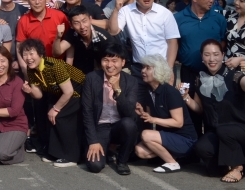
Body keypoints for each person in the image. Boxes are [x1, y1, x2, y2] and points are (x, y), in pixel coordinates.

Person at [185, 40, 245, 184]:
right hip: (219, 130)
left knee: (225, 130)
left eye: (216, 54)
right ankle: (226, 166)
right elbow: (200, 109)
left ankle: (237, 167)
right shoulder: (199, 79)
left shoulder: (235, 75)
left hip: (243, 129)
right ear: (202, 57)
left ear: (223, 55)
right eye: (207, 55)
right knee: (202, 148)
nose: (212, 59)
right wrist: (186, 98)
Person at [19, 38, 86, 167]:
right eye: (25, 55)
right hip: (59, 93)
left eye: (31, 53)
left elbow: (69, 92)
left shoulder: (55, 65)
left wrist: (56, 109)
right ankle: (55, 153)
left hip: (78, 90)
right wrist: (30, 91)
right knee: (49, 115)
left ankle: (71, 156)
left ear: (41, 54)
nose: (28, 58)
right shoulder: (31, 70)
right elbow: (38, 95)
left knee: (60, 116)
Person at [133, 54, 198, 174]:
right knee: (139, 151)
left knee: (146, 135)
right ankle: (176, 157)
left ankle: (172, 163)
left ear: (158, 71)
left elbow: (178, 122)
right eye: (143, 67)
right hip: (167, 137)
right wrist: (143, 113)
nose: (143, 71)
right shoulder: (149, 91)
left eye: (148, 68)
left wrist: (153, 119)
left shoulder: (170, 92)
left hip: (185, 140)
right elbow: (150, 116)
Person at [80, 41, 139, 175]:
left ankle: (122, 161)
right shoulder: (91, 78)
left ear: (123, 62)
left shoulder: (131, 81)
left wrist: (117, 89)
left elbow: (129, 112)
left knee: (129, 124)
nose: (110, 65)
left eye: (114, 60)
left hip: (120, 125)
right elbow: (87, 112)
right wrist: (93, 141)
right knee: (95, 166)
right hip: (100, 127)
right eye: (105, 60)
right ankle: (106, 150)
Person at [107, 0, 179, 82]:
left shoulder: (165, 13)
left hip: (161, 66)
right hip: (138, 67)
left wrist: (170, 68)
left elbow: (172, 42)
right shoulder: (126, 11)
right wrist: (116, 9)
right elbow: (113, 31)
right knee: (138, 97)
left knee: (163, 97)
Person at [175, 0, 226, 87]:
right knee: (188, 101)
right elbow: (174, 43)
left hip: (213, 72)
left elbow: (223, 42)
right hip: (188, 72)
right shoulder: (177, 18)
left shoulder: (219, 19)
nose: (211, 0)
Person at [16, 0, 70, 70]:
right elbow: (20, 47)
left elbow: (69, 42)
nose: (37, 2)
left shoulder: (60, 16)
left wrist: (68, 67)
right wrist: (25, 71)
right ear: (28, 0)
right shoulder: (23, 21)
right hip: (36, 69)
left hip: (60, 67)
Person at [52, 5, 111, 74]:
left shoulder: (103, 37)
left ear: (90, 19)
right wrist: (58, 37)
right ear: (71, 25)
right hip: (79, 75)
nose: (82, 26)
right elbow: (56, 53)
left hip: (100, 73)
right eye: (76, 23)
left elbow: (112, 62)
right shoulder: (72, 33)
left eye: (84, 21)